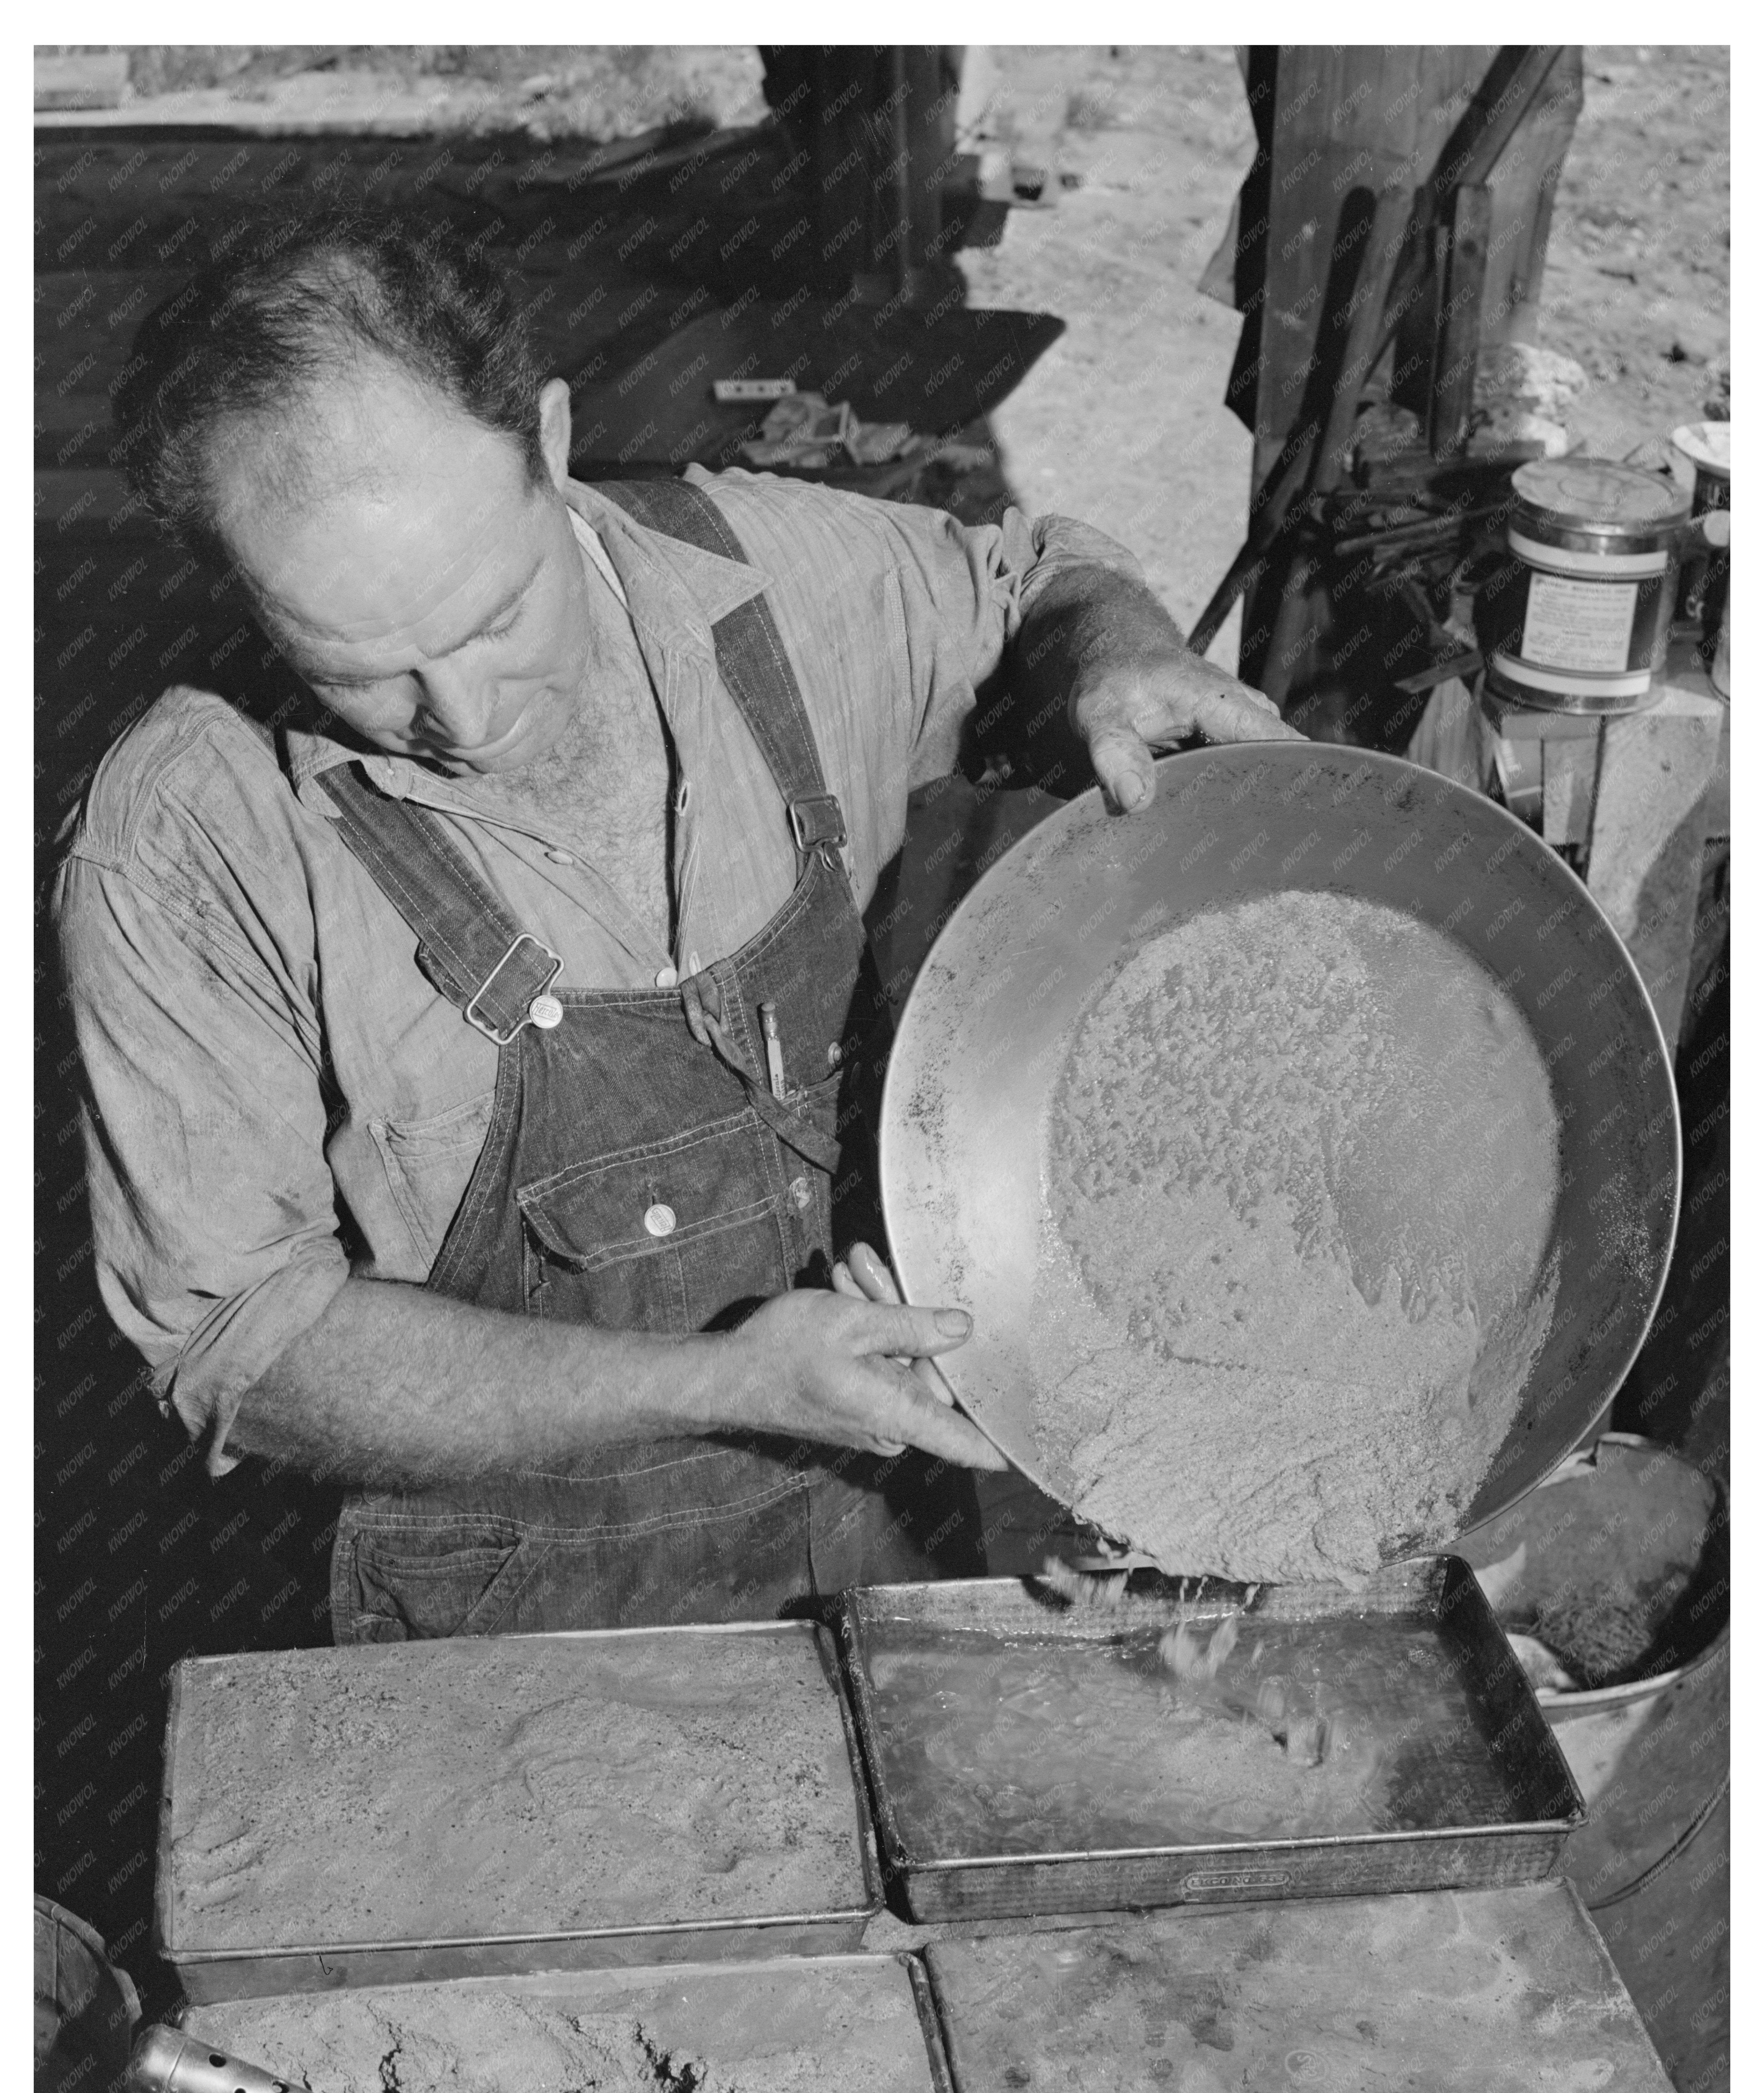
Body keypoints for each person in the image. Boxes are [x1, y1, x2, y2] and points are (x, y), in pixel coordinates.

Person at [54, 216, 1293, 1641]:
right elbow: (244, 1346)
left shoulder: (772, 586)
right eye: (358, 674)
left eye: (496, 613)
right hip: (500, 1625)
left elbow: (1033, 584)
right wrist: (719, 1384)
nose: (462, 717)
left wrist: (1112, 649)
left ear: (555, 438)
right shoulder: (184, 841)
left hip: (879, 1534)